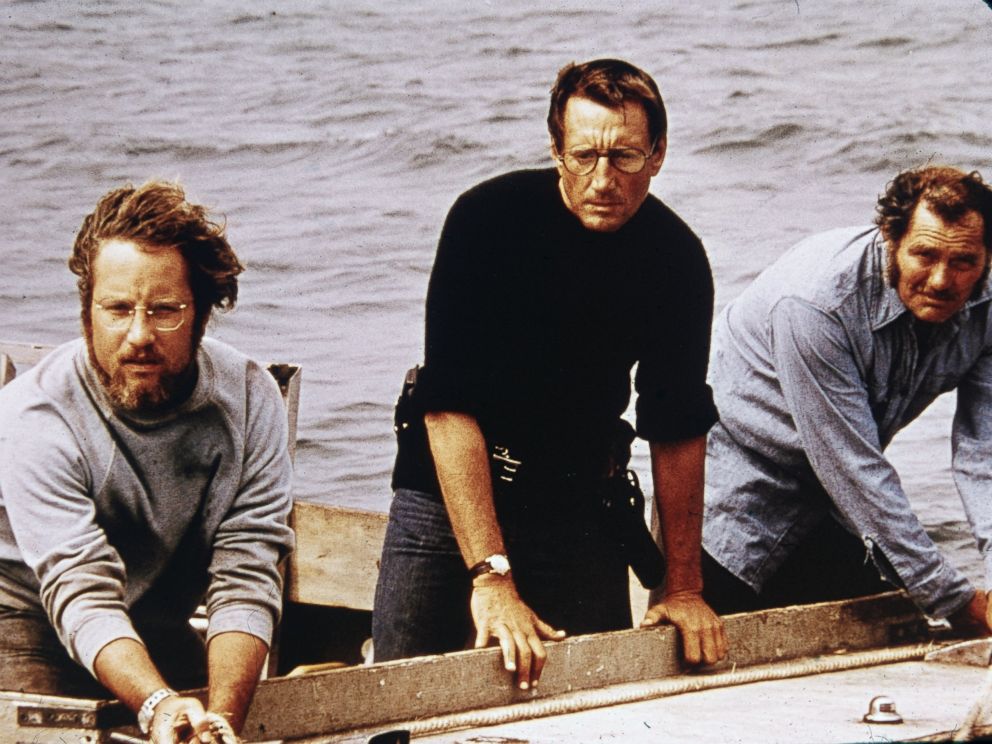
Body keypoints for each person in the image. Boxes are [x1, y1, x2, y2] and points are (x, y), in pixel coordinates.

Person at [373, 58, 728, 690]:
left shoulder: (675, 257)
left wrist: (683, 586)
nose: (603, 179)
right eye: (584, 154)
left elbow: (675, 425)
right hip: (447, 493)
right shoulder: (486, 222)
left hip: (576, 505)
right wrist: (491, 576)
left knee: (598, 710)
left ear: (658, 154)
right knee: (401, 702)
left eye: (625, 156)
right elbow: (447, 406)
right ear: (556, 149)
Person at [0, 181, 294, 743]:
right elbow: (79, 587)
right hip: (24, 615)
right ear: (87, 310)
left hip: (153, 618)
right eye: (116, 309)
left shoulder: (253, 398)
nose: (138, 336)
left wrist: (222, 722)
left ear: (203, 313)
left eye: (165, 311)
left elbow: (247, 574)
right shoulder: (34, 414)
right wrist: (157, 703)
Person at [701, 165, 992, 632]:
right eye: (925, 255)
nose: (942, 280)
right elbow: (854, 467)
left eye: (964, 262)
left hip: (839, 508)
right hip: (734, 499)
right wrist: (956, 600)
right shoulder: (816, 304)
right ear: (890, 240)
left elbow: (986, 455)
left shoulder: (987, 303)